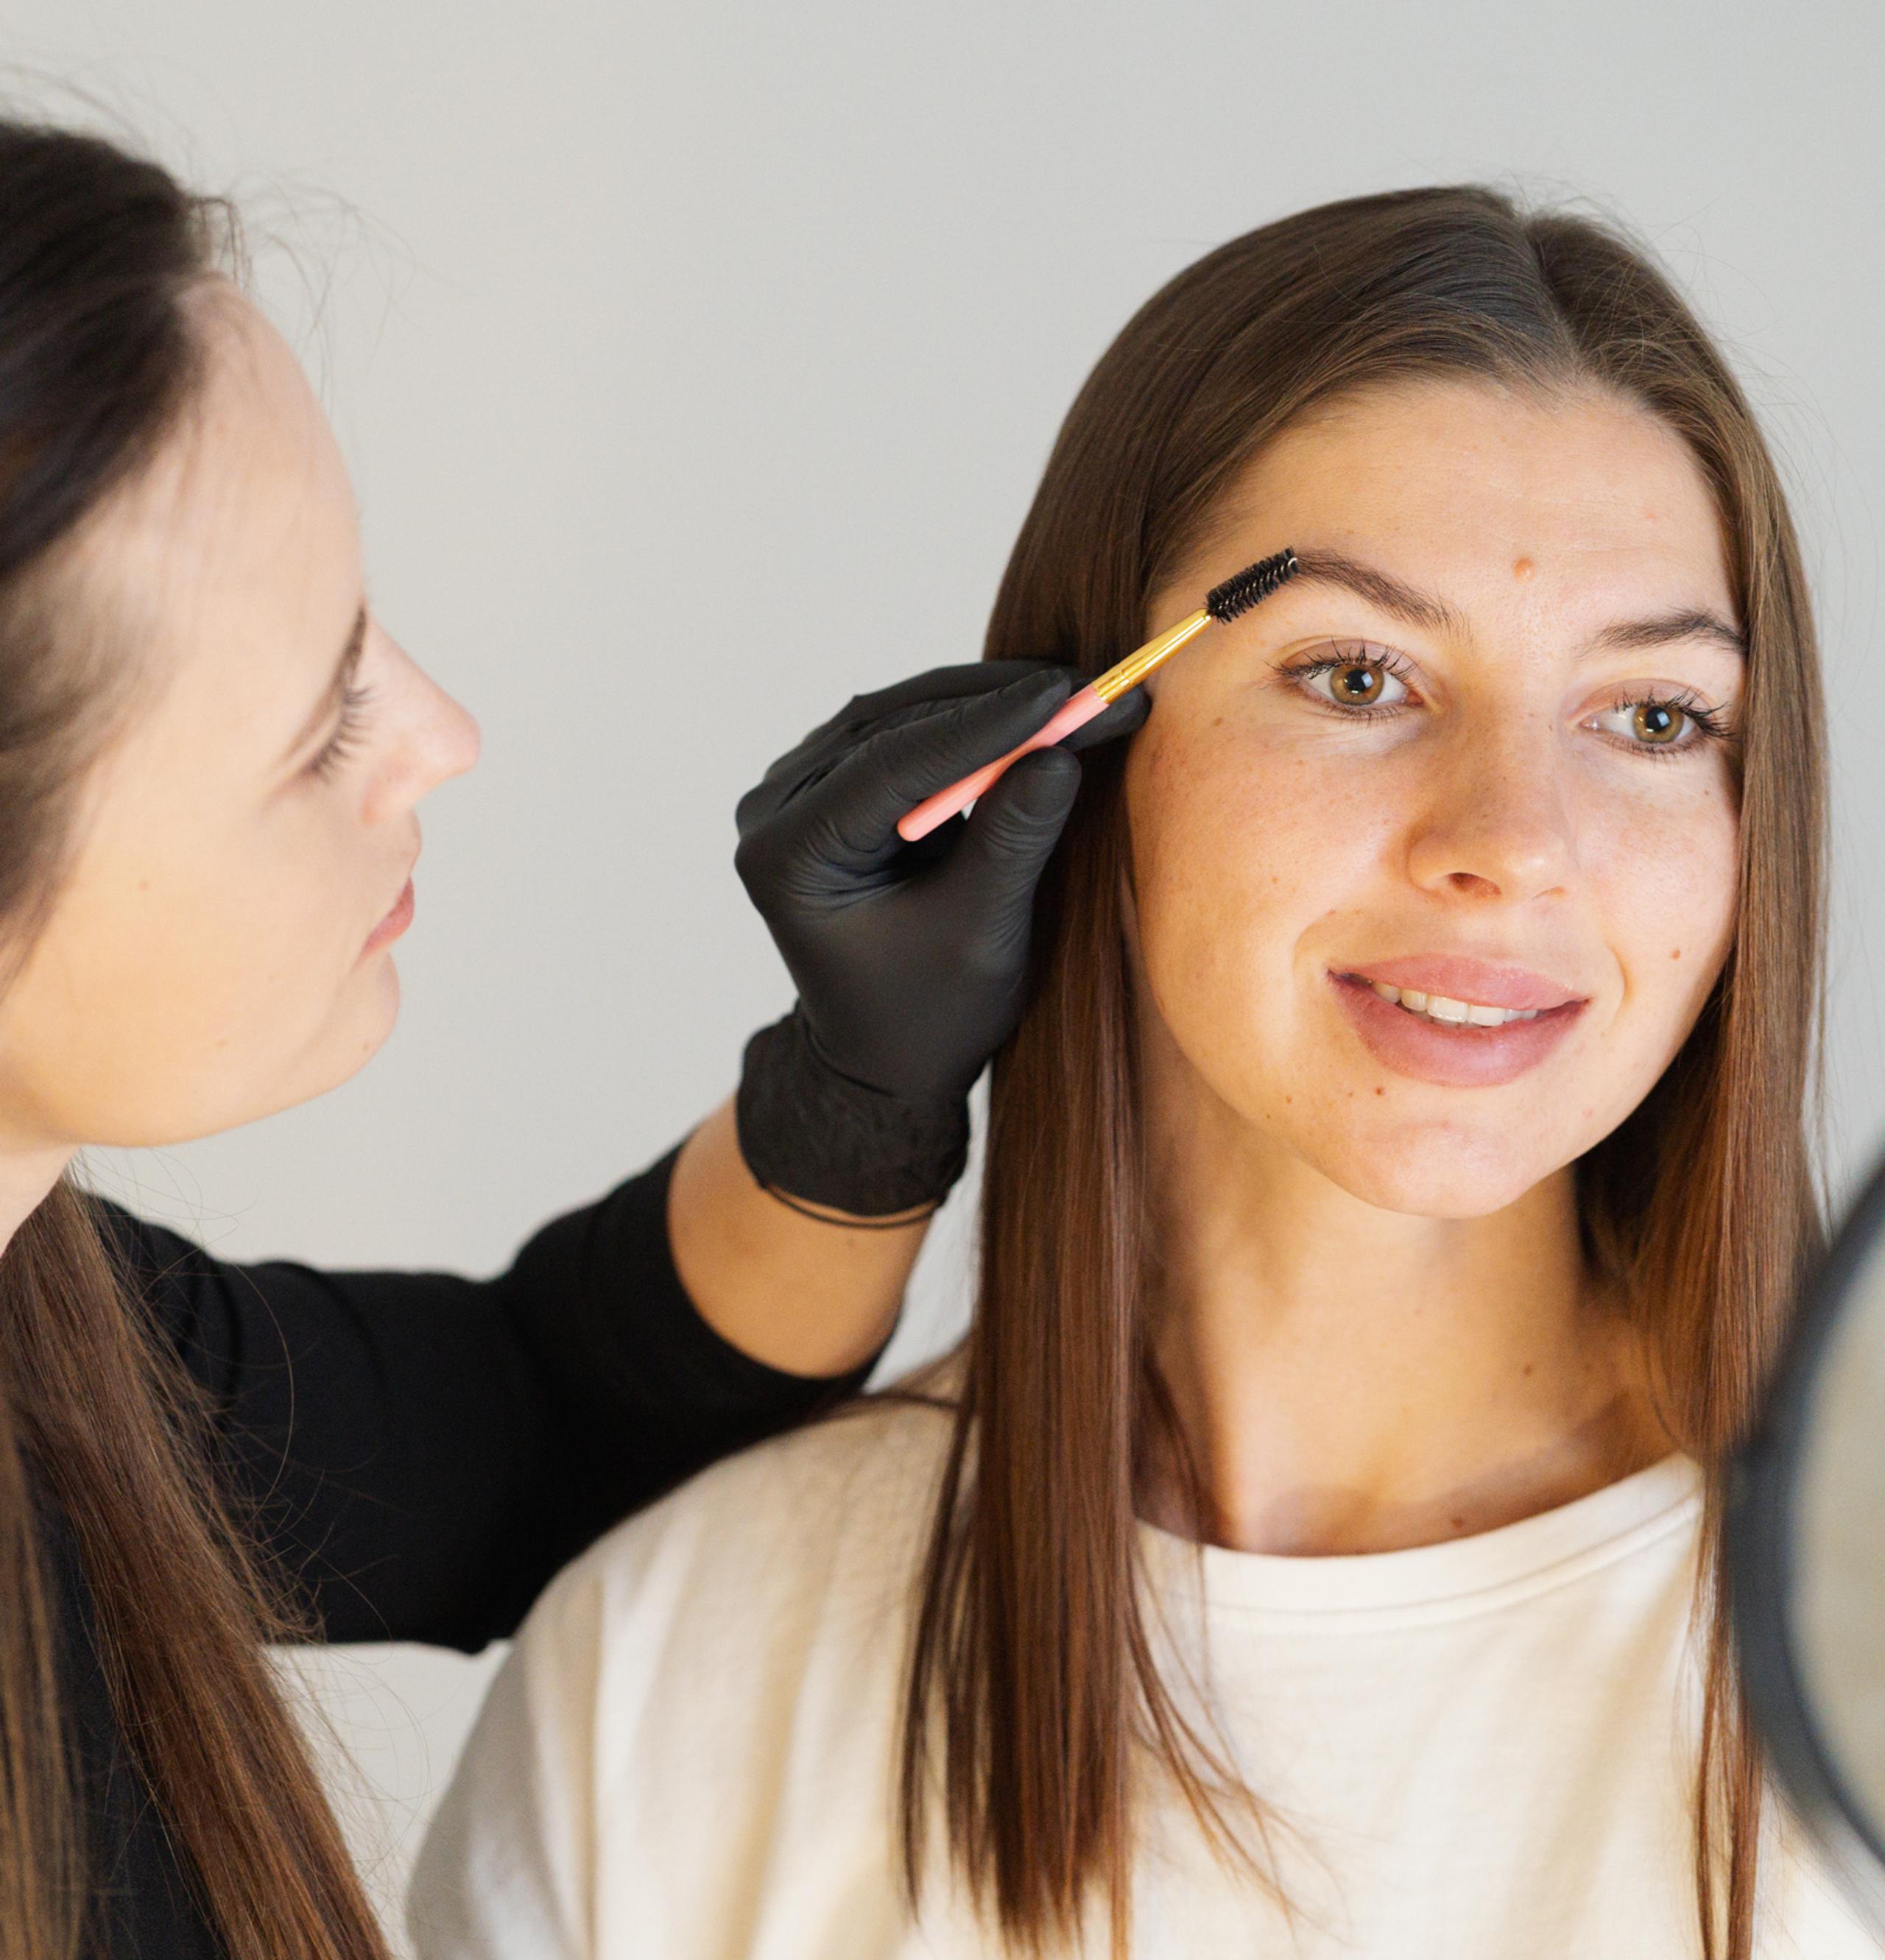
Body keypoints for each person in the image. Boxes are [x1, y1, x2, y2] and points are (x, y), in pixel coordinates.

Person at [409, 184, 1881, 1960]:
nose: (1512, 841)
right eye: (1354, 674)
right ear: (1072, 742)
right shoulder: (672, 1666)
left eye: (1652, 719)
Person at [0, 117, 1146, 1960]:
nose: (438, 733)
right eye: (320, 723)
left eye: (370, 629)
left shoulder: (53, 1326)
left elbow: (538, 1423)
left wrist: (852, 1096)